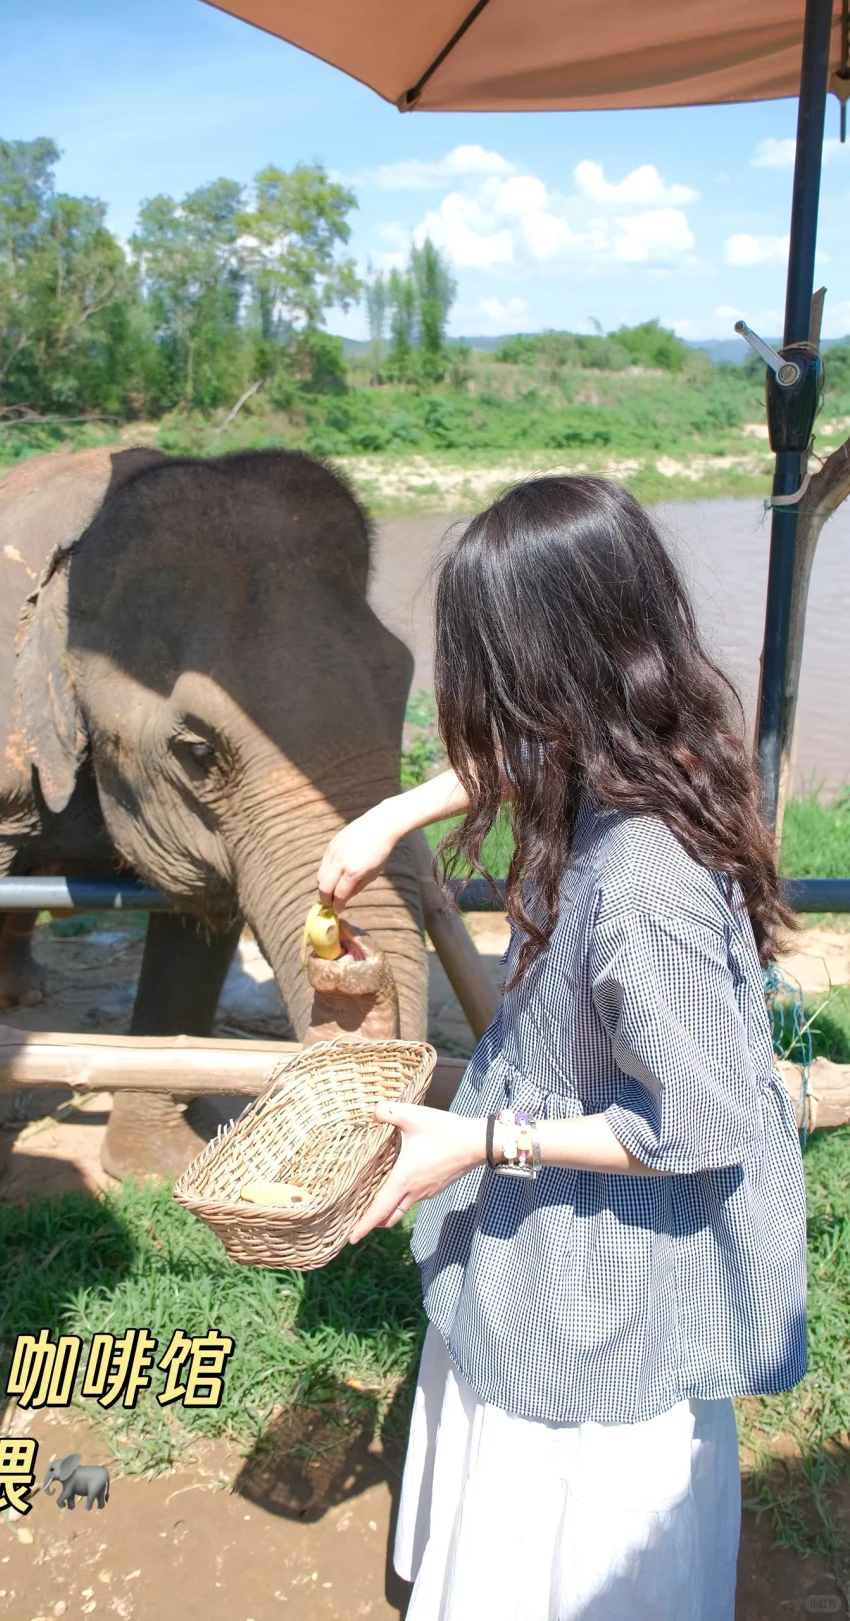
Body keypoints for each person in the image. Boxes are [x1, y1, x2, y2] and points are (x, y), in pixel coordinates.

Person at [316, 477, 807, 1621]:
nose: (465, 697)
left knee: (557, 1508)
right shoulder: (646, 746)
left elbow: (702, 1124)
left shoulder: (642, 888)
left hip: (607, 1299)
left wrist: (475, 1142)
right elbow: (535, 755)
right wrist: (395, 814)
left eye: (481, 668)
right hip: (566, 1243)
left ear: (540, 672)